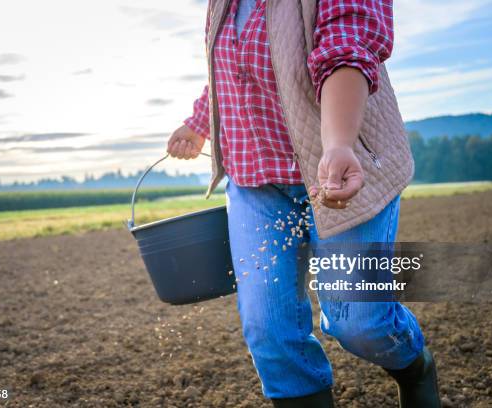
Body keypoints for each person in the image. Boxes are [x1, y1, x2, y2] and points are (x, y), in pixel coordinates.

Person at [167, 0, 440, 407]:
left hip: (340, 169)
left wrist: (338, 143)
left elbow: (347, 48)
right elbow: (233, 64)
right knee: (269, 328)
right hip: (255, 180)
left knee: (359, 321)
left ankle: (415, 367)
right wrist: (199, 123)